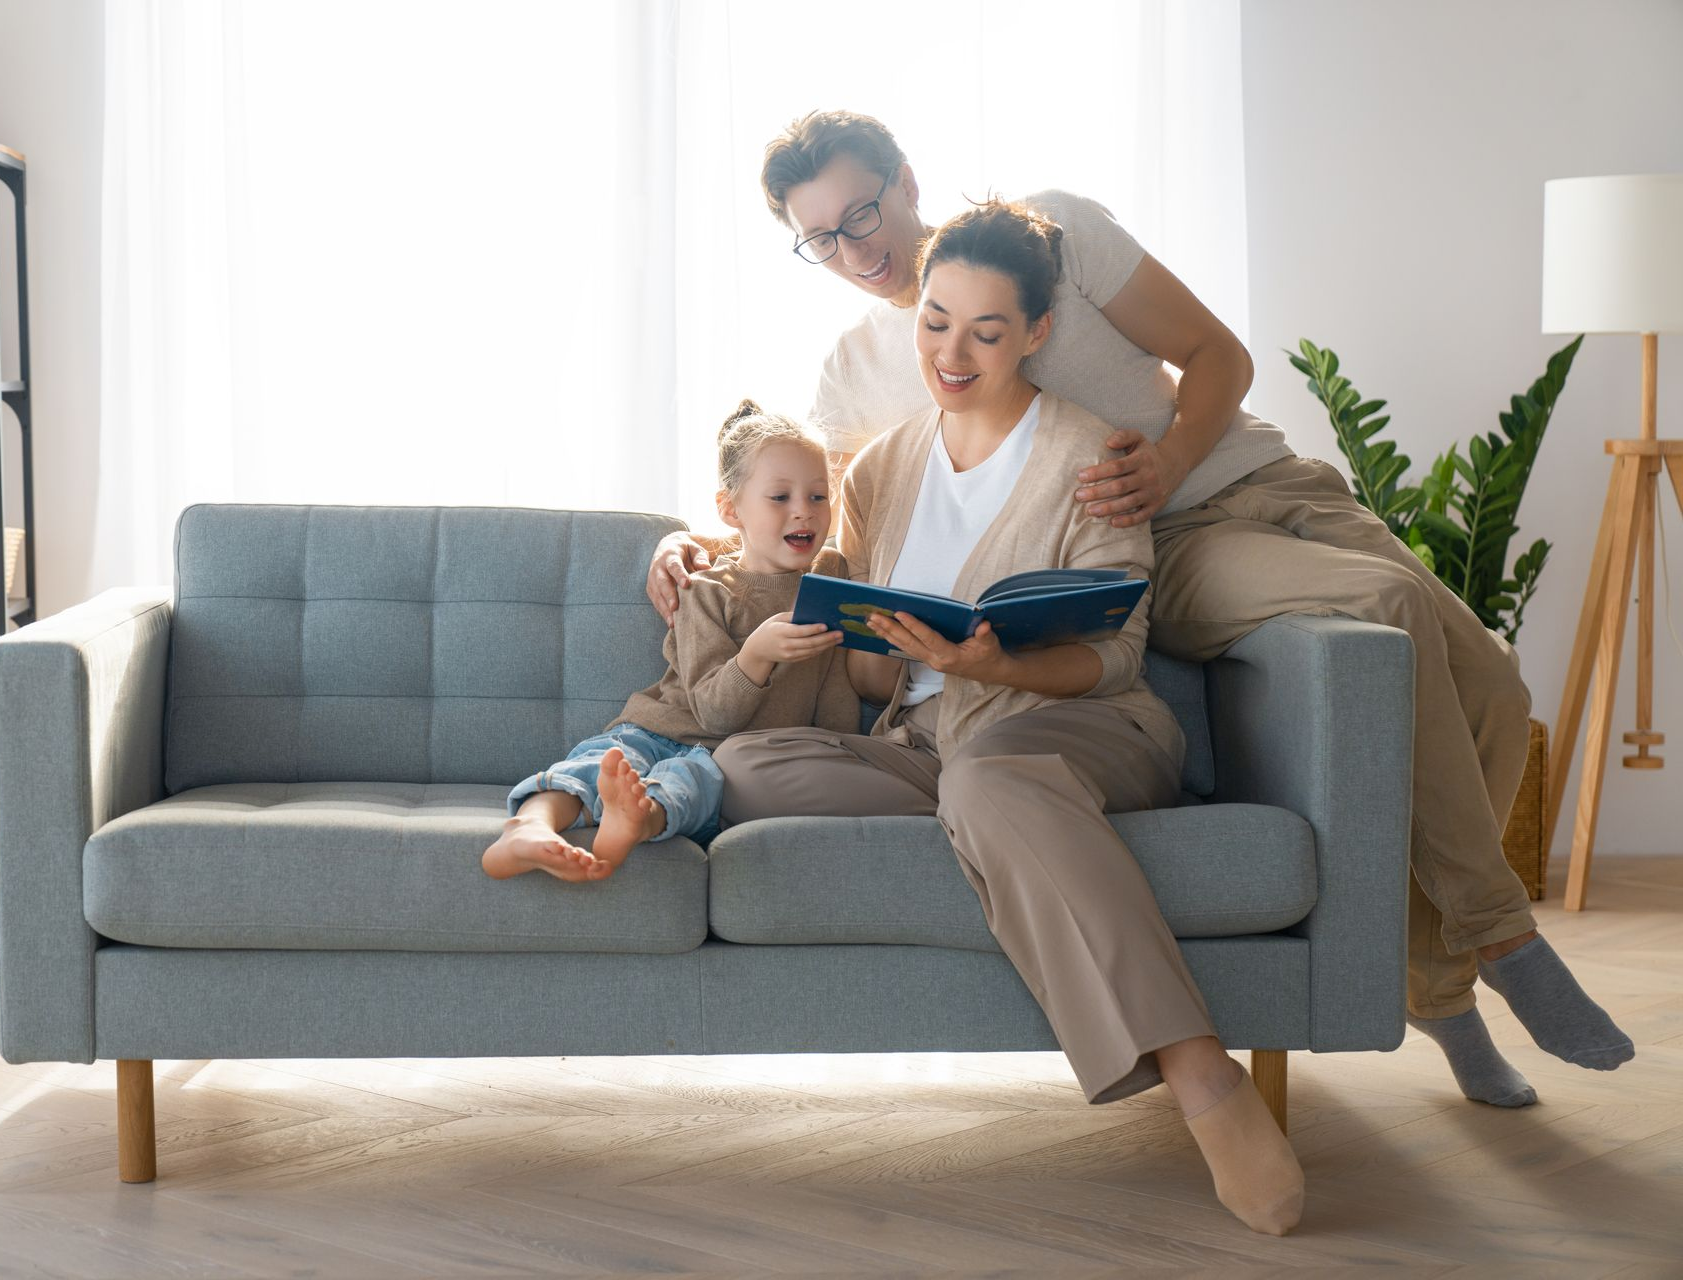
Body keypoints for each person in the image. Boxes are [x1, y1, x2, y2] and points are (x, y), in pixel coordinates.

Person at [650, 110, 1633, 1108]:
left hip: (1255, 478)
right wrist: (691, 540)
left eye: (861, 211)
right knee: (1381, 603)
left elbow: (1216, 355)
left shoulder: (1056, 236)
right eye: (819, 237)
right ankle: (1494, 937)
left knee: (1492, 687)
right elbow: (802, 507)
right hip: (1167, 549)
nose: (853, 249)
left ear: (905, 180)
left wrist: (1164, 459)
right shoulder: (856, 372)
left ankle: (1433, 982)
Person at [715, 202, 1305, 1236]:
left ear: (1035, 331)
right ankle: (990, 824)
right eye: (935, 321)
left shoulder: (1093, 457)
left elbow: (1116, 655)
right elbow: (853, 664)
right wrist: (755, 581)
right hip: (926, 743)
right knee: (747, 762)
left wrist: (996, 662)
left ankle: (1198, 1069)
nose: (951, 350)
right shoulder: (881, 466)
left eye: (985, 331)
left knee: (990, 774)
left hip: (1077, 727)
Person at [483, 400, 857, 883]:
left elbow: (835, 691)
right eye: (780, 497)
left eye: (819, 497)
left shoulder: (831, 579)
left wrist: (845, 750)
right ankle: (529, 826)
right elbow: (711, 711)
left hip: (723, 757)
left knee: (689, 784)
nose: (803, 512)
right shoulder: (706, 591)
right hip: (658, 727)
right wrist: (757, 655)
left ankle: (633, 820)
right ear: (730, 509)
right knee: (603, 761)